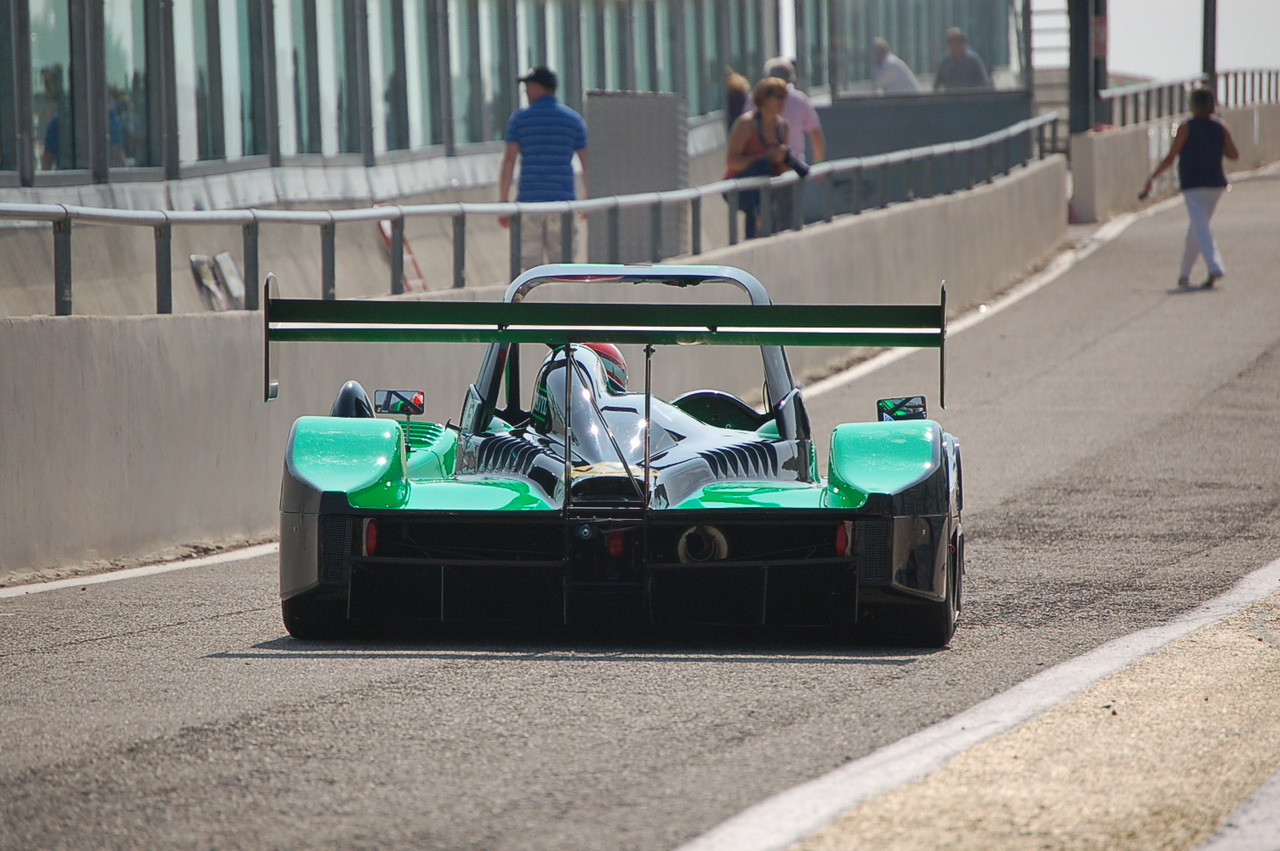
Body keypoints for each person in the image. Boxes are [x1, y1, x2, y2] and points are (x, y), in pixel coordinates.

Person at [1142, 88, 1239, 288]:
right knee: (1197, 228)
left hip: (1193, 184)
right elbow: (1233, 154)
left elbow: (1171, 156)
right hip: (1215, 183)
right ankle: (1184, 274)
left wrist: (1153, 176)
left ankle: (1215, 267)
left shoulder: (1186, 127)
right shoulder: (1220, 126)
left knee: (1201, 227)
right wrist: (1215, 147)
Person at [498, 66, 588, 271]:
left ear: (538, 87)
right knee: (564, 267)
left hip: (529, 203)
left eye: (528, 86)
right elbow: (587, 162)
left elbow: (509, 160)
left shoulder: (520, 120)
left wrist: (503, 200)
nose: (526, 91)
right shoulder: (573, 120)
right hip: (563, 203)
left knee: (530, 269)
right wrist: (588, 196)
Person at [724, 77, 795, 240]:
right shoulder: (747, 124)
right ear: (764, 98)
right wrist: (764, 156)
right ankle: (754, 231)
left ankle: (779, 231)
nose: (782, 101)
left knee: (785, 183)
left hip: (768, 184)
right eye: (778, 96)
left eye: (784, 97)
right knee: (761, 166)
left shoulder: (782, 127)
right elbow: (731, 162)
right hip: (740, 186)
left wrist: (783, 162)